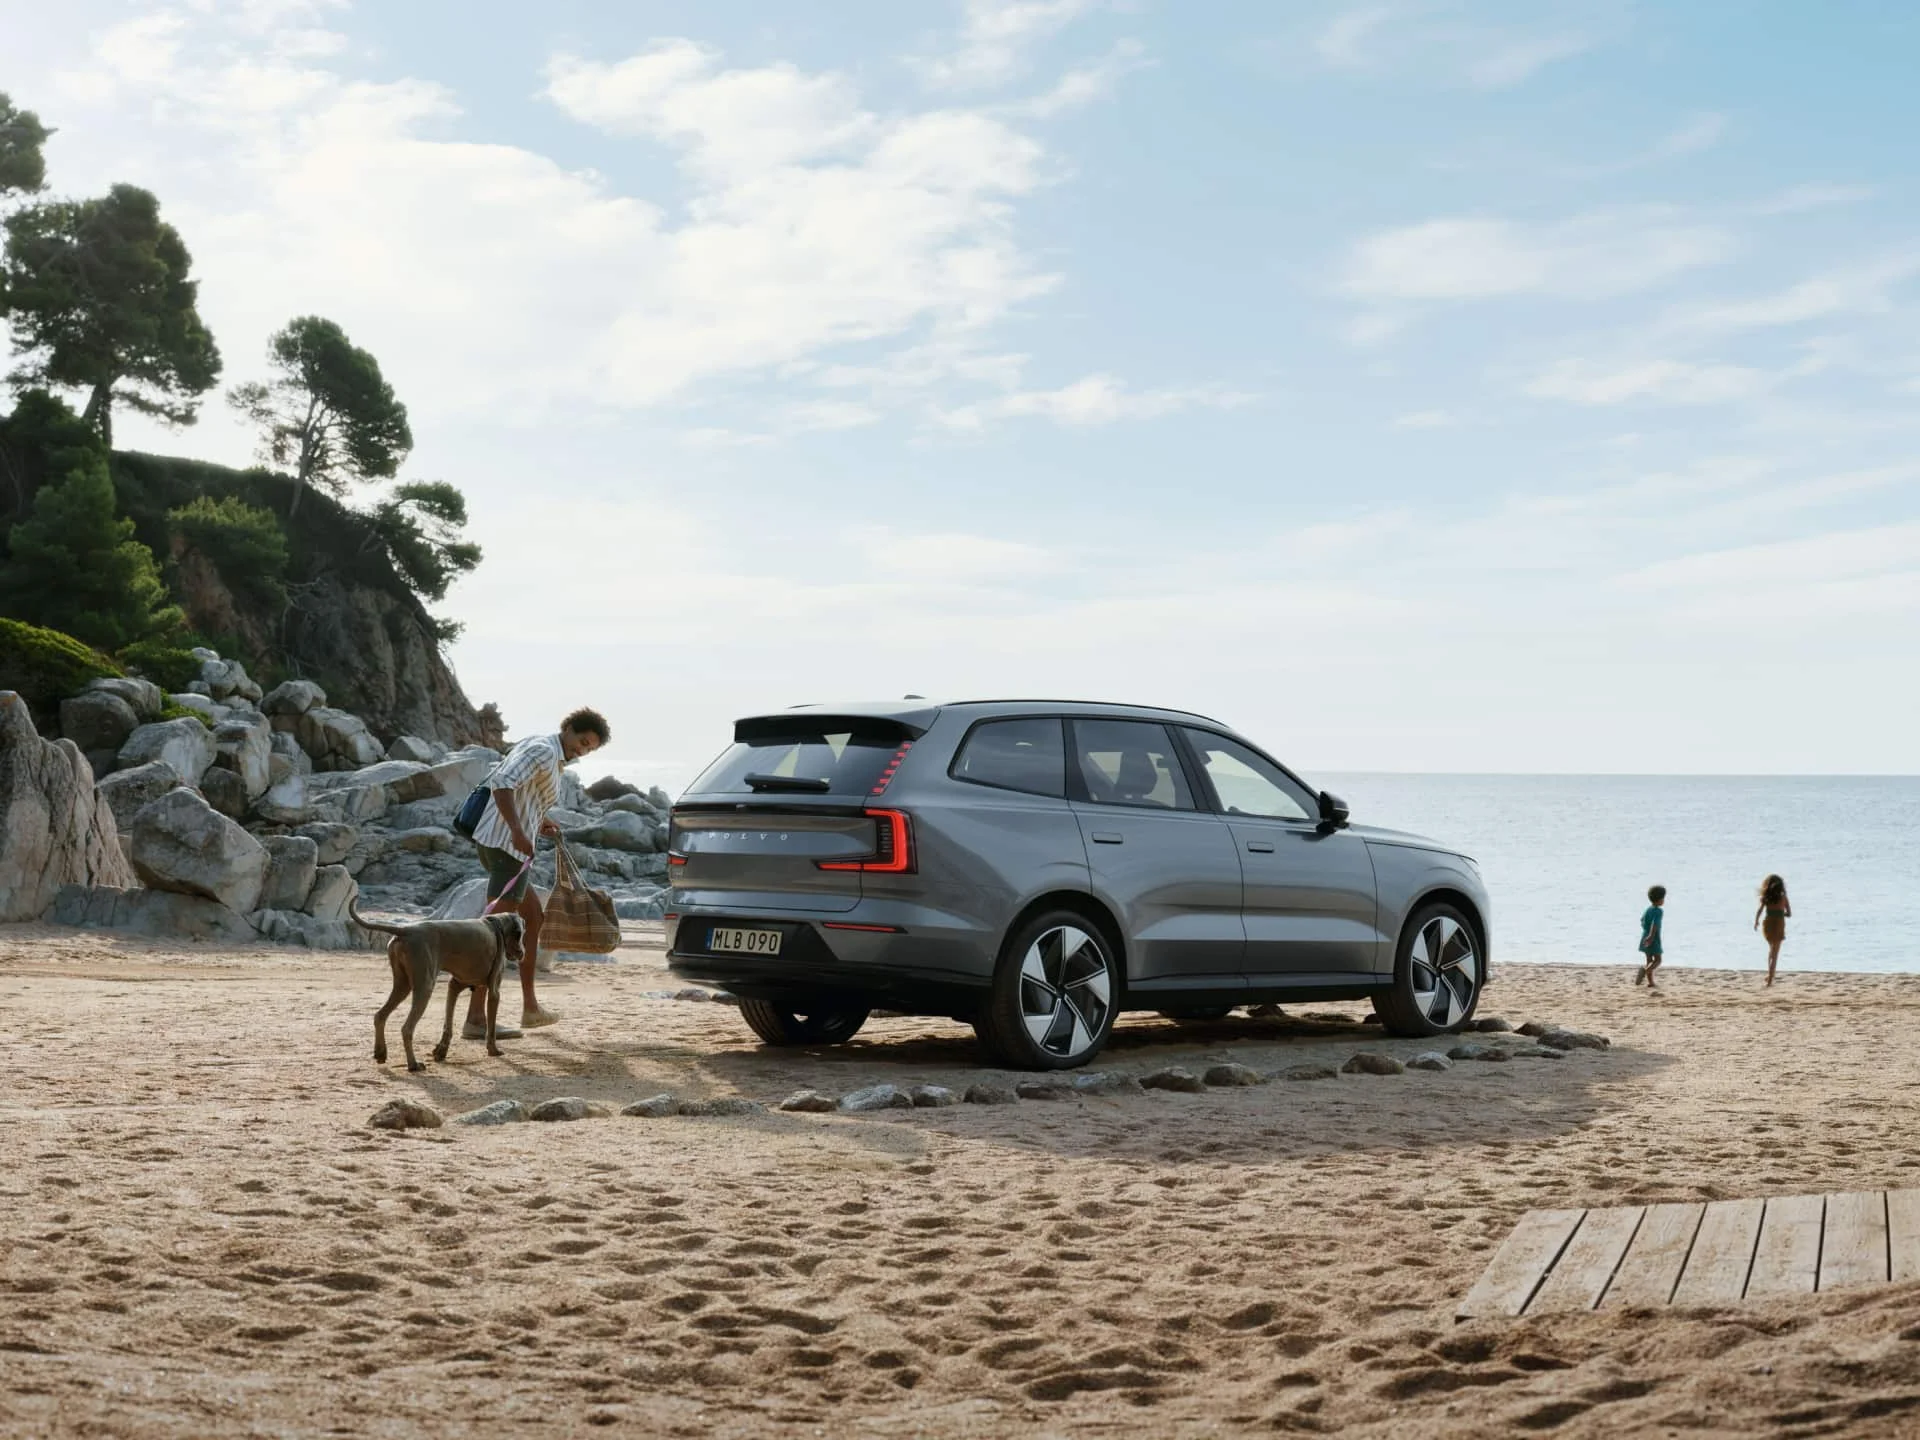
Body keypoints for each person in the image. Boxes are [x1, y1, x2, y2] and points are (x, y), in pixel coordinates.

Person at [461, 707, 610, 1038]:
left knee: (534, 919)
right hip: (504, 847)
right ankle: (474, 1019)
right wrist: (517, 830)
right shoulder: (543, 750)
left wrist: (538, 820)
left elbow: (524, 793)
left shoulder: (550, 756)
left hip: (508, 848)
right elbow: (502, 784)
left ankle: (530, 1008)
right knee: (496, 934)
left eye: (589, 748)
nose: (582, 751)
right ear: (568, 728)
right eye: (582, 741)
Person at [1755, 874, 1791, 987]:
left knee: (1771, 950)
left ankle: (1770, 975)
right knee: (1775, 953)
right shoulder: (1783, 897)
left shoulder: (1766, 898)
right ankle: (1770, 979)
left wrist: (1756, 922)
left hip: (1768, 924)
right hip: (1779, 925)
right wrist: (1781, 914)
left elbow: (1759, 911)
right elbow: (1789, 914)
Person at [1635, 884, 1665, 988]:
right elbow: (1655, 924)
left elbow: (1642, 920)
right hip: (1653, 938)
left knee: (1649, 960)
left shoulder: (1648, 909)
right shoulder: (1658, 911)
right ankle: (1645, 971)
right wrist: (1651, 936)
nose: (1664, 900)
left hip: (1644, 936)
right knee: (1658, 960)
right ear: (1660, 899)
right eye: (1663, 898)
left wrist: (1646, 934)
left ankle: (1651, 982)